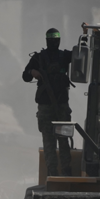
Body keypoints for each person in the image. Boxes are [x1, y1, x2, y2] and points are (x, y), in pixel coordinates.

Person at [22, 28, 73, 177]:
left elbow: (82, 56)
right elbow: (25, 76)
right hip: (46, 107)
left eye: (55, 40)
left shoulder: (65, 56)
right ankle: (52, 174)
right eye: (50, 40)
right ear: (46, 40)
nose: (53, 42)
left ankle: (66, 173)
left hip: (61, 107)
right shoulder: (39, 58)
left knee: (63, 141)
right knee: (49, 142)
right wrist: (33, 72)